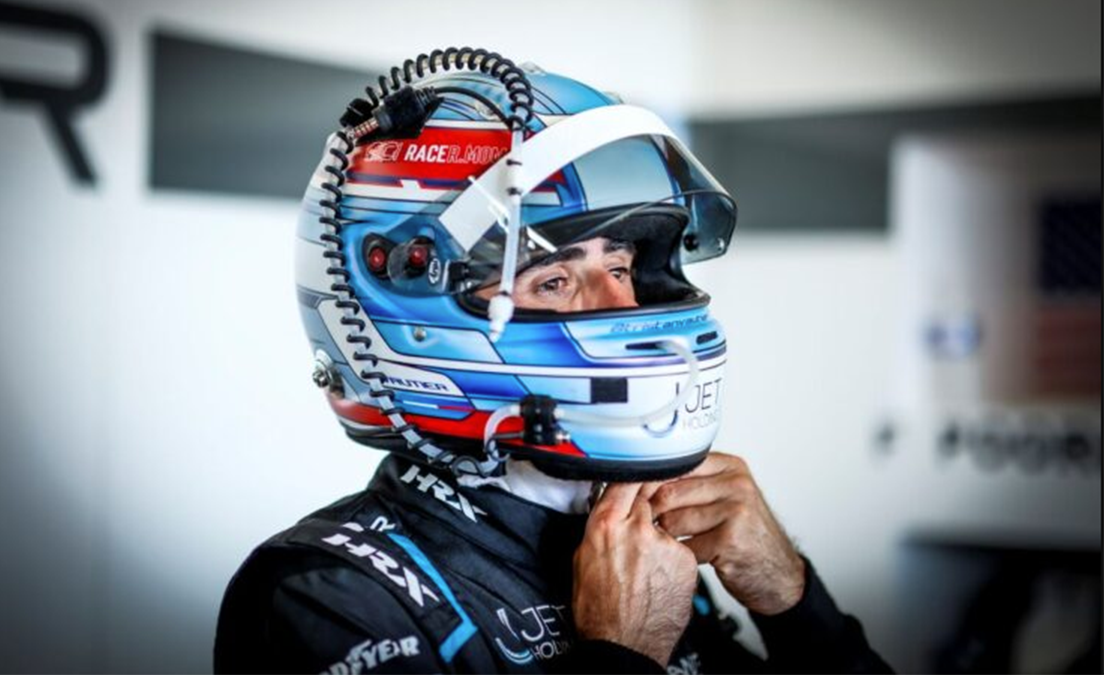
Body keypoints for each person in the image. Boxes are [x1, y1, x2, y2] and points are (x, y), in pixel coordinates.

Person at [215, 50, 895, 674]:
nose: (623, 307)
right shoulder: (325, 595)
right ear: (415, 312)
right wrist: (621, 655)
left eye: (621, 267)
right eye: (554, 280)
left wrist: (792, 601)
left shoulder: (639, 532)